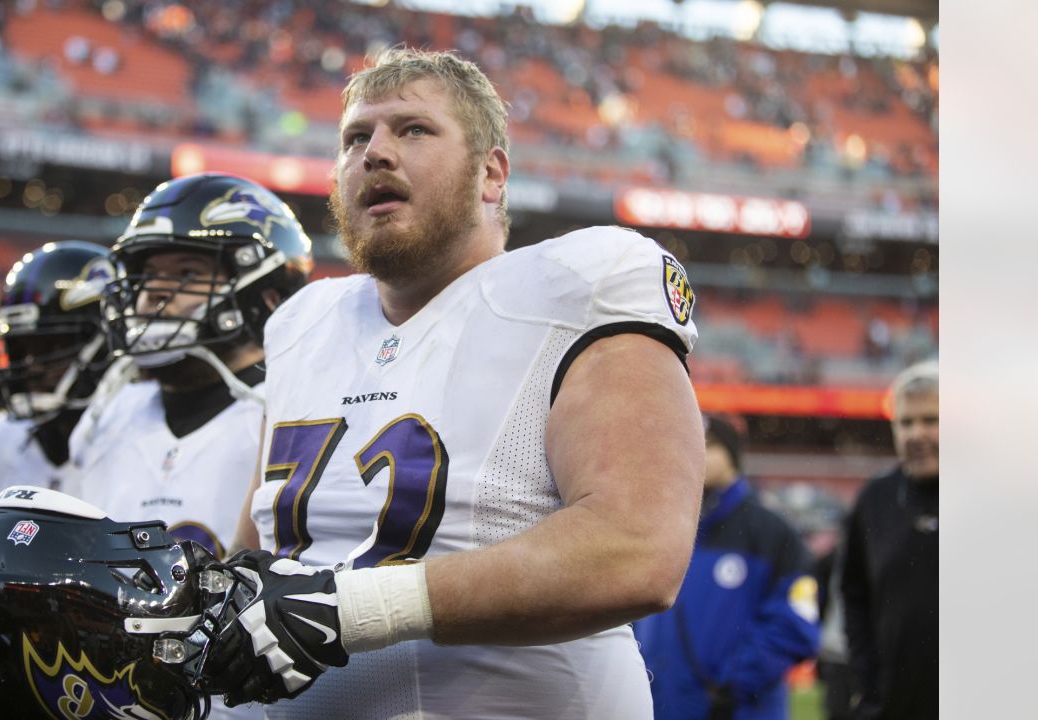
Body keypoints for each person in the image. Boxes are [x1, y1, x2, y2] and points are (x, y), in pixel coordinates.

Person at [198, 47, 706, 719]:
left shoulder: (579, 284)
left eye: (412, 129)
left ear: (491, 173)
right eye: (355, 138)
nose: (374, 152)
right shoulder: (301, 324)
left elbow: (636, 550)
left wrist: (354, 608)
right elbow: (256, 555)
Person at [63, 173, 313, 719]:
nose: (153, 291)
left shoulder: (293, 409)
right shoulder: (108, 416)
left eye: (186, 273)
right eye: (148, 273)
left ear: (264, 293)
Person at [636, 416, 820, 720]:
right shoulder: (663, 527)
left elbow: (795, 624)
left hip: (740, 710)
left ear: (733, 456)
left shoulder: (771, 531)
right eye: (688, 443)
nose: (697, 452)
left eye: (709, 445)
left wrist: (732, 683)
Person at [0, 240, 120, 498]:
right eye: (21, 348)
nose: (31, 365)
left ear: (107, 344)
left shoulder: (138, 435)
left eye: (50, 347)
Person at [839, 360, 938, 719]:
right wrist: (865, 685)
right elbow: (854, 597)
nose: (916, 434)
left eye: (931, 420)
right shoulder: (875, 500)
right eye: (906, 423)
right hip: (891, 705)